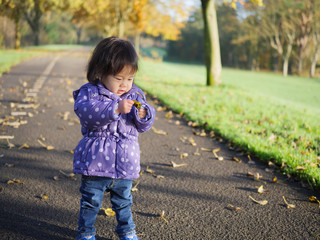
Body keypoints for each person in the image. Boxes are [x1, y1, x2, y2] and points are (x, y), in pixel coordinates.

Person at [72, 36, 156, 240]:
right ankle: (86, 232)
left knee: (124, 201)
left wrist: (144, 115)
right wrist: (115, 108)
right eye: (118, 79)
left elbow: (143, 125)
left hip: (125, 164)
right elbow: (86, 114)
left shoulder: (135, 94)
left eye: (130, 79)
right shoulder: (90, 93)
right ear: (100, 72)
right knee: (91, 201)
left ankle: (127, 231)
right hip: (96, 162)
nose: (125, 85)